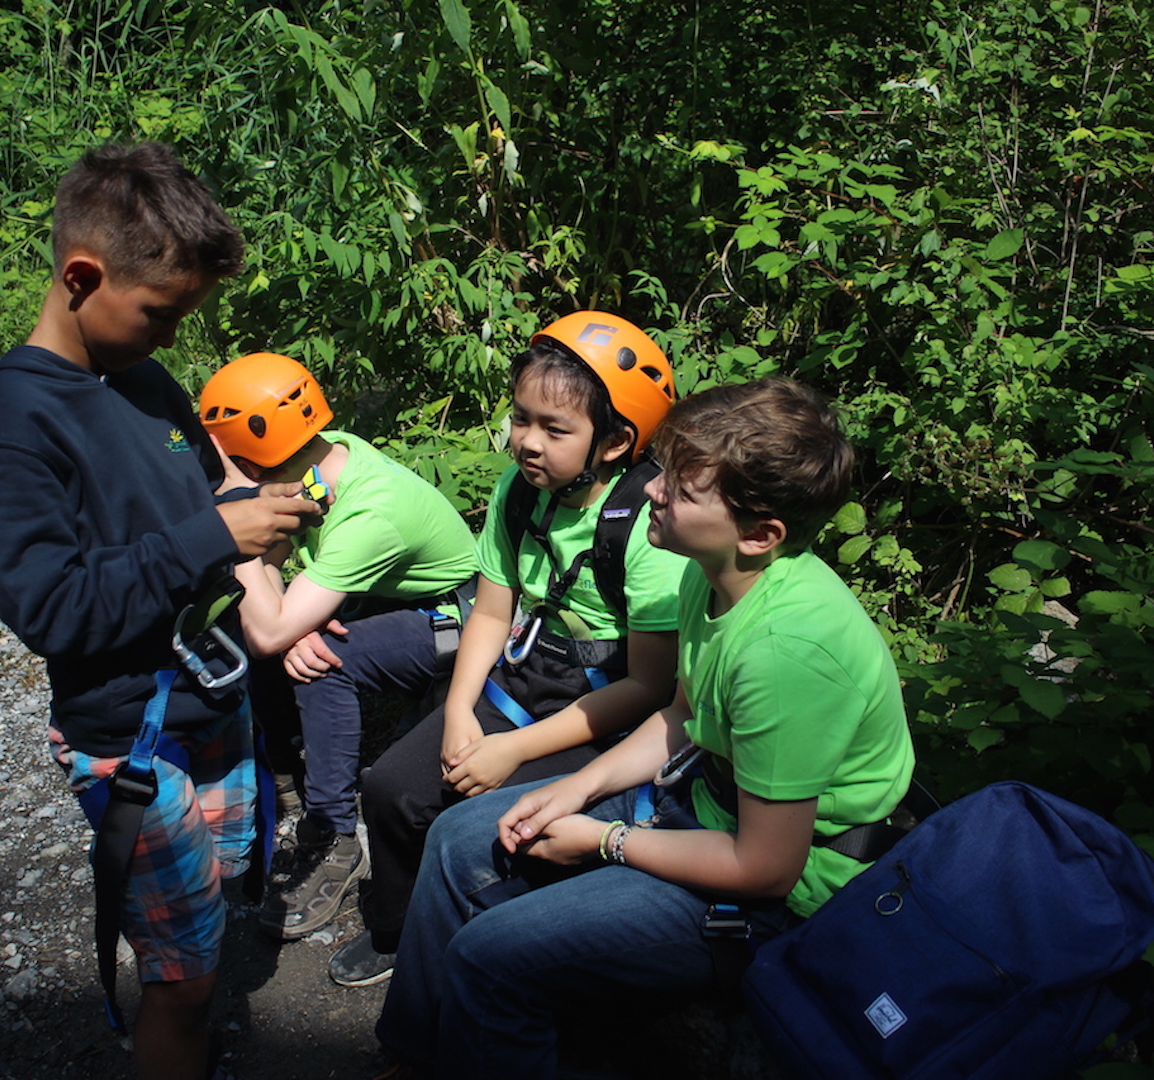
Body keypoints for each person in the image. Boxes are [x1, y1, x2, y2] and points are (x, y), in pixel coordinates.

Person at [372, 377, 916, 1079]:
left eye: (681, 491)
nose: (652, 490)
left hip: (786, 890)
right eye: (664, 472)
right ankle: (416, 1052)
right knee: (456, 838)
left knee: (492, 957)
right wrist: (577, 789)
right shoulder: (710, 571)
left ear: (760, 534)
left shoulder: (785, 655)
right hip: (701, 804)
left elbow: (765, 868)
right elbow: (683, 716)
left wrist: (604, 840)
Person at [0, 142, 321, 1080]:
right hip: (129, 737)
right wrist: (212, 539)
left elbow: (203, 494)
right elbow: (53, 609)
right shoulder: (12, 427)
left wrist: (259, 527)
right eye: (159, 313)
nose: (170, 339)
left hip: (216, 701)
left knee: (215, 905)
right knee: (180, 977)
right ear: (81, 277)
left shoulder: (144, 381)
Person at [329, 312, 690, 989]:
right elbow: (493, 611)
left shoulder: (648, 526)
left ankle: (480, 946)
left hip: (604, 704)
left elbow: (648, 686)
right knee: (390, 787)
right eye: (521, 419)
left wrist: (512, 749)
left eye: (554, 429)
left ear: (614, 442)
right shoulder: (519, 492)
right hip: (524, 672)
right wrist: (459, 711)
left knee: (486, 821)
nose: (526, 441)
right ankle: (396, 931)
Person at [197, 351, 477, 940]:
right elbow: (272, 576)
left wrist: (236, 513)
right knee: (268, 625)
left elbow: (268, 623)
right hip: (387, 600)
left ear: (247, 457)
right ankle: (287, 773)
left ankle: (335, 834)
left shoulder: (370, 510)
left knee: (323, 662)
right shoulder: (327, 456)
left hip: (456, 619)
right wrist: (288, 622)